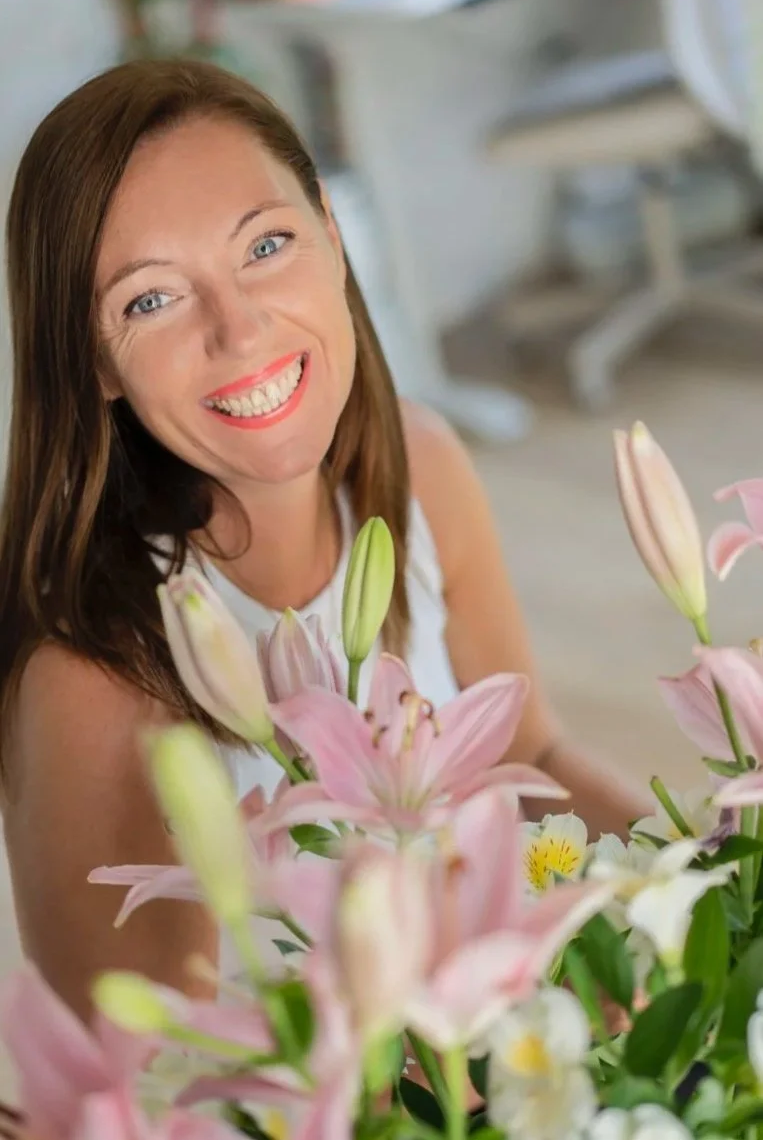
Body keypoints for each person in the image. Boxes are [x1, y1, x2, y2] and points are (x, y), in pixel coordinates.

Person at [0, 58, 651, 1024]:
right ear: (93, 361)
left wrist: (699, 881)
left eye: (264, 245)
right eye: (150, 299)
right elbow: (164, 1069)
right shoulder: (95, 671)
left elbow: (532, 755)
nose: (240, 328)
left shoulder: (421, 465)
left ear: (334, 238)